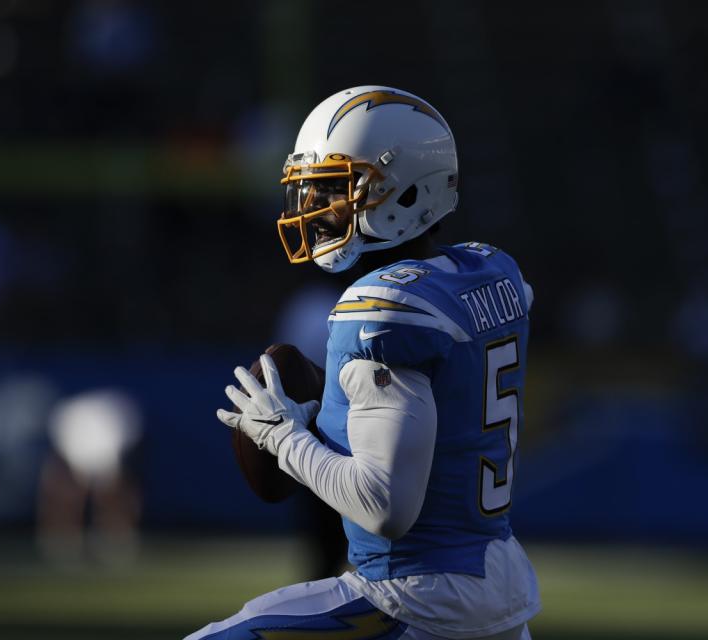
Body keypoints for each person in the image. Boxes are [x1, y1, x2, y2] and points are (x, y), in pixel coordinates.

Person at [190, 86, 540, 639]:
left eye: (334, 189)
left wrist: (283, 436)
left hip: (416, 601)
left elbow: (383, 506)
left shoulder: (386, 309)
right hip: (493, 584)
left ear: (402, 192)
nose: (314, 209)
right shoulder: (490, 273)